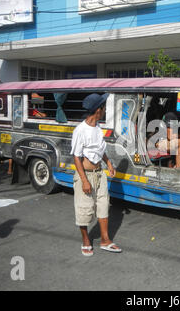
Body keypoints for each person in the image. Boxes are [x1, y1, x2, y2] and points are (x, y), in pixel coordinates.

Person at [70, 93, 121, 257]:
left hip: (100, 174)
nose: (105, 110)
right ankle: (86, 241)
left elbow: (100, 149)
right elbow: (76, 157)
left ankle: (105, 240)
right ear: (98, 110)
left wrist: (109, 163)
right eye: (104, 107)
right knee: (84, 209)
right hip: (86, 175)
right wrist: (84, 181)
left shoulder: (98, 127)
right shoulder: (80, 130)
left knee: (103, 206)